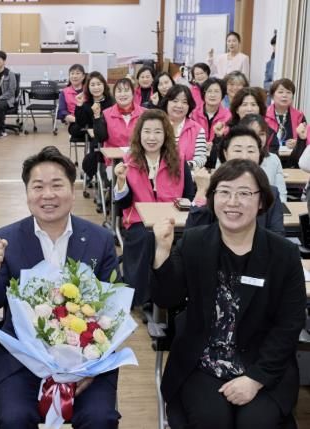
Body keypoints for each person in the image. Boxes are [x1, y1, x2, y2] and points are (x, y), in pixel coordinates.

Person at [151, 159, 305, 429]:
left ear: (261, 201)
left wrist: (256, 378)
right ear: (213, 198)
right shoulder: (195, 242)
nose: (232, 202)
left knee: (256, 423)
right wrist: (162, 252)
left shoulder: (284, 254)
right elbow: (166, 299)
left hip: (262, 364)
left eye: (244, 193)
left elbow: (289, 324)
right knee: (211, 421)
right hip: (201, 362)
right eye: (224, 192)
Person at [0, 146, 121, 428]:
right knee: (13, 419)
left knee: (100, 418)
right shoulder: (5, 239)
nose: (48, 195)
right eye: (38, 187)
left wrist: (91, 367)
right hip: (21, 361)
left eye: (57, 185)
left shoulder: (99, 239)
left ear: (73, 189)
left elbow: (113, 309)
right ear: (27, 193)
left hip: (87, 363)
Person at [113, 109, 194, 306]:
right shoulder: (129, 161)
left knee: (192, 239)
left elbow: (188, 195)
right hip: (139, 222)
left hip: (174, 221)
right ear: (139, 134)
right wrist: (121, 181)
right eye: (147, 131)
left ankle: (180, 295)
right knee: (147, 237)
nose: (151, 137)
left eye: (157, 132)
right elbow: (123, 204)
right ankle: (142, 296)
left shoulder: (178, 160)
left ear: (166, 135)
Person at [186, 126, 285, 236]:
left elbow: (277, 235)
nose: (244, 156)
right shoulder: (214, 188)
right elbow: (192, 235)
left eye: (251, 151)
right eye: (238, 150)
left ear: (259, 154)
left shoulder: (270, 192)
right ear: (225, 153)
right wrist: (201, 191)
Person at [75, 71, 115, 180]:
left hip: (113, 136)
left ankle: (106, 178)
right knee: (95, 150)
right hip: (97, 137)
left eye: (99, 84)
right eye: (92, 85)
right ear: (88, 87)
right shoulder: (87, 104)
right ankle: (98, 177)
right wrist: (79, 105)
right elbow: (81, 123)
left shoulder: (112, 102)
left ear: (104, 85)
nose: (96, 87)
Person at [239, 114, 287, 202]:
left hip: (268, 207)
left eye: (261, 134)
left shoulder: (274, 159)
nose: (258, 138)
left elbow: (281, 195)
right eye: (252, 133)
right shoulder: (230, 158)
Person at [159, 85, 207, 168]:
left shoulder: (197, 130)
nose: (179, 105)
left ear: (189, 106)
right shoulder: (157, 124)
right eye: (175, 101)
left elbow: (201, 159)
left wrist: (182, 166)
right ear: (167, 102)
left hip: (186, 173)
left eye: (184, 102)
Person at [264, 78, 307, 164]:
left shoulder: (299, 116)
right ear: (272, 95)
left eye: (288, 92)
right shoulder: (263, 115)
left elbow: (306, 139)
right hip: (268, 158)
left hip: (293, 160)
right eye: (280, 92)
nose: (284, 95)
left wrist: (298, 142)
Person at [190, 78, 231, 145]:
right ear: (203, 94)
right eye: (209, 91)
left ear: (222, 94)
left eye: (216, 91)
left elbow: (228, 140)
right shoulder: (193, 114)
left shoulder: (228, 116)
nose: (212, 95)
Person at [57, 64, 86, 139]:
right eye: (72, 73)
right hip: (75, 122)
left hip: (90, 120)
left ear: (83, 76)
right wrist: (77, 120)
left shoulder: (89, 90)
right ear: (69, 76)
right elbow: (61, 112)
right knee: (79, 130)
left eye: (77, 73)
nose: (74, 76)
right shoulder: (64, 92)